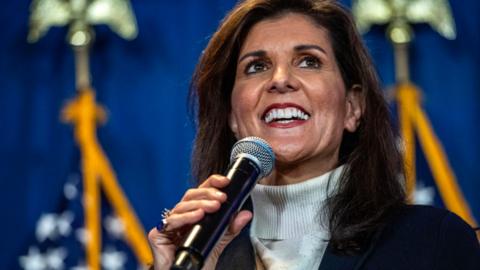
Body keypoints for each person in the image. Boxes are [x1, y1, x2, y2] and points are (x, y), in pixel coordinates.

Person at [148, 0, 480, 269]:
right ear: (233, 116)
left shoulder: (433, 244)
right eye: (256, 66)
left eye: (308, 61)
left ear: (352, 108)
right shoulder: (199, 253)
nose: (280, 79)